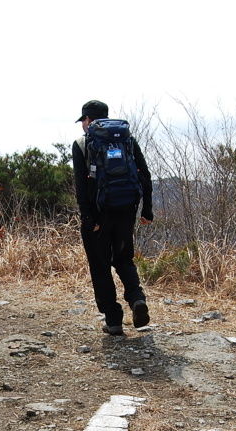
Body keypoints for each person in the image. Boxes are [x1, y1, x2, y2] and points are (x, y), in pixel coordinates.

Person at [72, 99, 154, 336]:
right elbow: (144, 175)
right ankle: (137, 299)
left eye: (83, 121)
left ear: (88, 120)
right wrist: (146, 210)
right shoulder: (127, 139)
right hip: (126, 209)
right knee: (124, 258)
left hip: (99, 215)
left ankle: (114, 320)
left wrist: (89, 218)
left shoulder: (82, 143)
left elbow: (81, 186)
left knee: (100, 266)